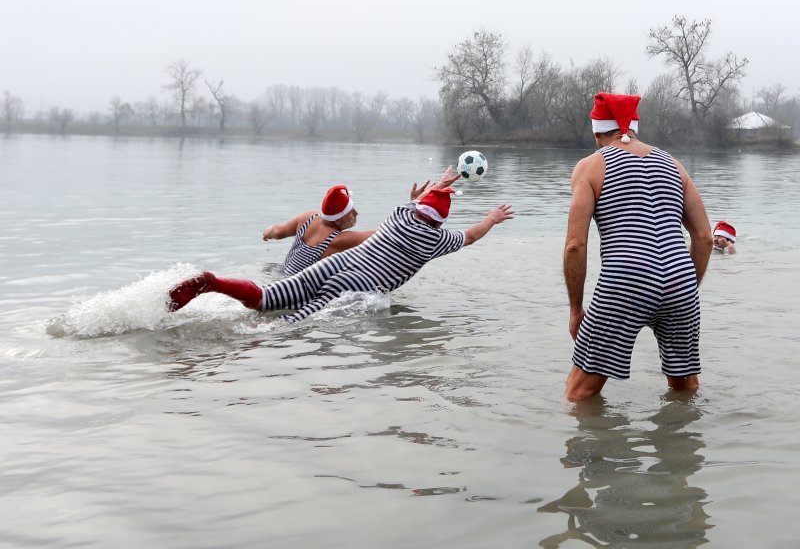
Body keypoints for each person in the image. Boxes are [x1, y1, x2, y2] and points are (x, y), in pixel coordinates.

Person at [168, 168, 514, 323]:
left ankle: (213, 283)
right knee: (285, 325)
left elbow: (419, 203)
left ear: (415, 207)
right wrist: (492, 219)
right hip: (357, 285)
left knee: (267, 300)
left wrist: (436, 185)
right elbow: (468, 236)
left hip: (327, 267)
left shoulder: (398, 214)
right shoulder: (435, 239)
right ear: (440, 222)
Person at [563, 92, 713, 402]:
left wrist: (576, 309)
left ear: (596, 131)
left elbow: (576, 246)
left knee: (579, 392)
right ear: (634, 127)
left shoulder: (590, 167)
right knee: (685, 388)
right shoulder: (674, 164)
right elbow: (704, 238)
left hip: (626, 280)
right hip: (680, 278)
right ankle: (679, 445)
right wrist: (683, 287)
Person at [262, 185, 375, 275]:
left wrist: (268, 232)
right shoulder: (336, 240)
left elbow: (278, 231)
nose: (356, 213)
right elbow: (382, 234)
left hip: (280, 275)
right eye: (350, 211)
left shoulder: (308, 217)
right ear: (337, 221)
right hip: (296, 290)